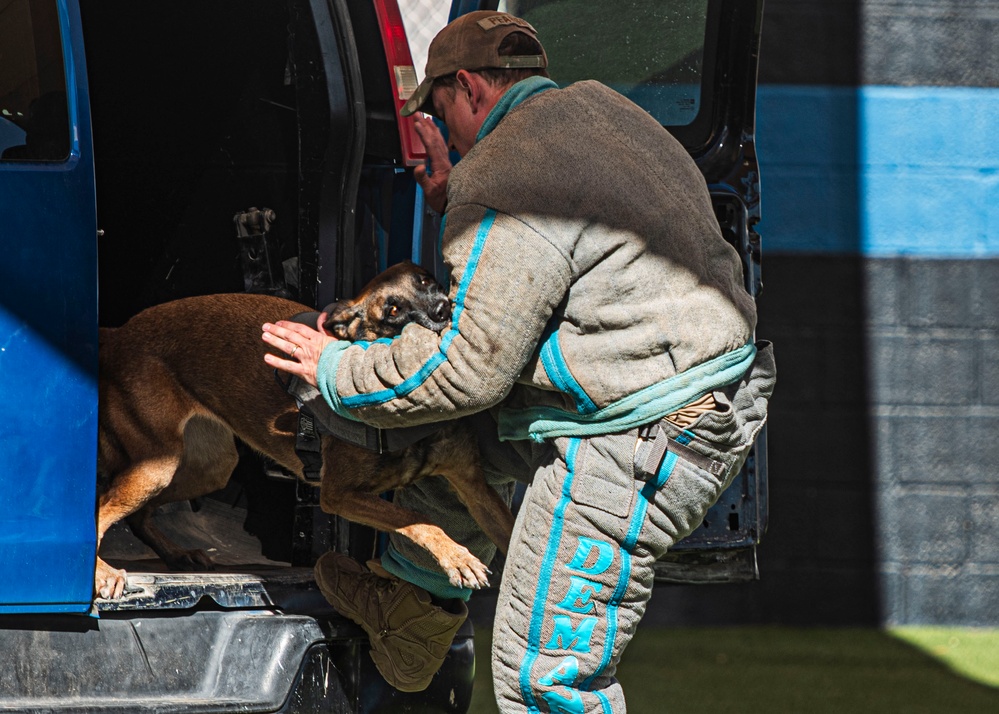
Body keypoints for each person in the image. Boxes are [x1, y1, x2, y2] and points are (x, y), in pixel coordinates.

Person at [262, 10, 775, 712]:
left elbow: (465, 370)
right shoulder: (602, 111)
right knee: (452, 444)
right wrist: (457, 204)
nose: (440, 132)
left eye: (440, 112)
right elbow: (558, 233)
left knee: (546, 677)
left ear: (469, 86)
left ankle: (411, 611)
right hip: (702, 400)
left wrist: (332, 371)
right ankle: (407, 616)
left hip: (636, 440)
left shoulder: (503, 178)